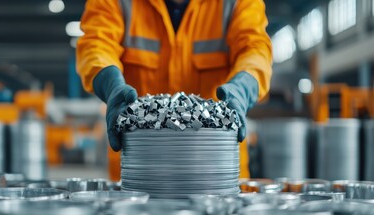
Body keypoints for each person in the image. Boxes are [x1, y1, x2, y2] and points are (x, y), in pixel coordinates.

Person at [77, 0, 272, 179]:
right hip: (141, 173)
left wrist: (242, 88)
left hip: (215, 172)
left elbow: (255, 49)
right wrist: (111, 85)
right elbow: (96, 44)